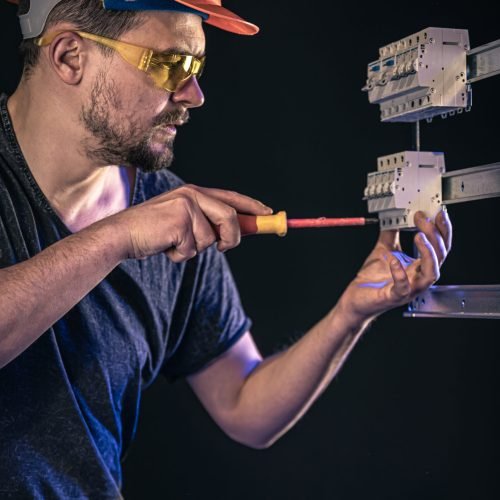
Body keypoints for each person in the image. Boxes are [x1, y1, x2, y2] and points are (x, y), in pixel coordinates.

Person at [0, 0, 452, 497]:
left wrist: (351, 313)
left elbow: (243, 406)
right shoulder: (149, 223)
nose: (194, 94)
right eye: (171, 64)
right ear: (69, 57)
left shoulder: (168, 212)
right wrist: (119, 237)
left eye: (197, 67)